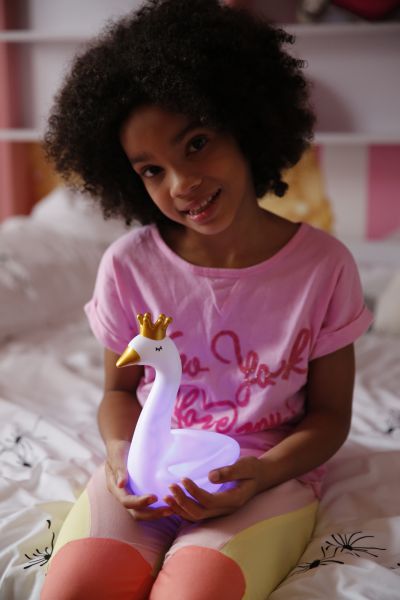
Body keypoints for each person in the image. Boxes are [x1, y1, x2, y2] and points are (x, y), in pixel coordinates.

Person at [41, 1, 372, 598]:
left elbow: (330, 416)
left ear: (244, 125)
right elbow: (118, 392)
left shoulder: (324, 267)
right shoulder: (127, 266)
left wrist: (262, 472)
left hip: (266, 475)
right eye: (151, 170)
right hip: (149, 468)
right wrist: (120, 457)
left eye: (196, 143)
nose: (182, 184)